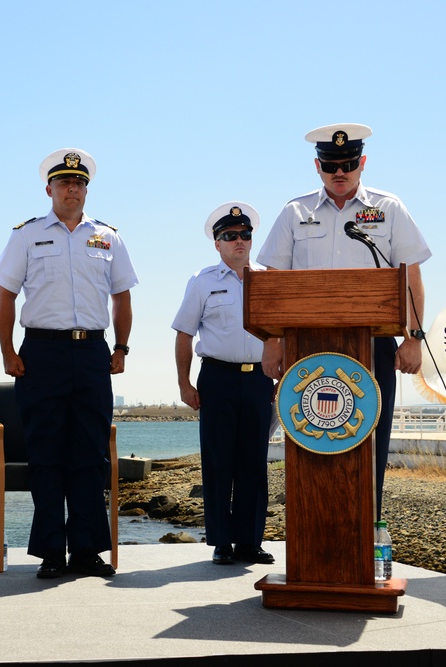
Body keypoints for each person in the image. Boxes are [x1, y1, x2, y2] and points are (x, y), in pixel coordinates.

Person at [257, 123, 431, 519]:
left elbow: (412, 278)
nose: (340, 172)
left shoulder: (388, 209)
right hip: (306, 351)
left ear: (362, 163)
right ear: (317, 166)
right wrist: (272, 342)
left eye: (349, 164)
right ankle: (310, 548)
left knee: (370, 445)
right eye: (331, 164)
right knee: (311, 443)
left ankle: (366, 541)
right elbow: (272, 284)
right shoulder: (294, 212)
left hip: (371, 347)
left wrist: (414, 338)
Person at [0, 148, 138, 579]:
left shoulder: (109, 237)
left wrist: (122, 347)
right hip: (42, 353)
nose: (73, 189)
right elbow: (5, 295)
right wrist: (7, 350)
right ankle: (52, 550)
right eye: (65, 182)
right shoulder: (26, 235)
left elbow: (122, 296)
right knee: (47, 453)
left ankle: (87, 550)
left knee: (90, 455)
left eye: (80, 183)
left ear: (86, 189)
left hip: (92, 352)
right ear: (49, 188)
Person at [172, 202, 276, 565]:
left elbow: (281, 333)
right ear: (217, 244)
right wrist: (185, 384)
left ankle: (250, 542)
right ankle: (222, 542)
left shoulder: (269, 279)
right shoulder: (202, 282)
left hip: (260, 381)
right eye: (230, 237)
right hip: (217, 378)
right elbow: (184, 333)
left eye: (245, 235)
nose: (239, 242)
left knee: (253, 463)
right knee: (219, 463)